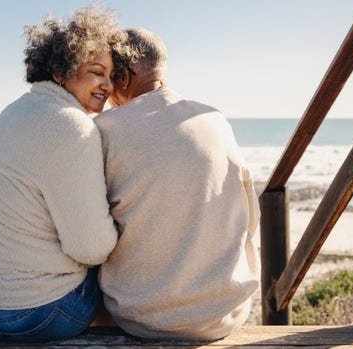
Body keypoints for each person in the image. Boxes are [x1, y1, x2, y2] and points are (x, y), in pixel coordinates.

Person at [0, 5, 131, 342]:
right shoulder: (72, 126)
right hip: (31, 314)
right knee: (121, 279)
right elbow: (91, 249)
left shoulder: (15, 110)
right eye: (96, 71)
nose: (107, 84)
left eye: (112, 75)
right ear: (61, 70)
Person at [95, 28, 261, 340]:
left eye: (107, 77)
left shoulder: (103, 131)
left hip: (141, 318)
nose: (105, 91)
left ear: (124, 77)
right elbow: (250, 218)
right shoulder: (215, 119)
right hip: (225, 315)